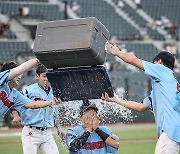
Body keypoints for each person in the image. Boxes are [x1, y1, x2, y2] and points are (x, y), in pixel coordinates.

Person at [102, 45, 180, 154]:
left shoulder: (162, 70)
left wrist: (118, 53)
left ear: (160, 61)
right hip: (173, 129)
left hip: (170, 130)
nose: (153, 65)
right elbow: (140, 107)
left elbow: (134, 61)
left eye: (154, 63)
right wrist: (115, 99)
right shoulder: (164, 85)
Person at [11, 64, 65, 154]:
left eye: (49, 76)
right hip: (31, 132)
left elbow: (54, 113)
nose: (47, 79)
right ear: (37, 76)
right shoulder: (28, 90)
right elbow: (14, 103)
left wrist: (59, 130)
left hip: (47, 132)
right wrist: (15, 116)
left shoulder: (55, 91)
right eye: (44, 76)